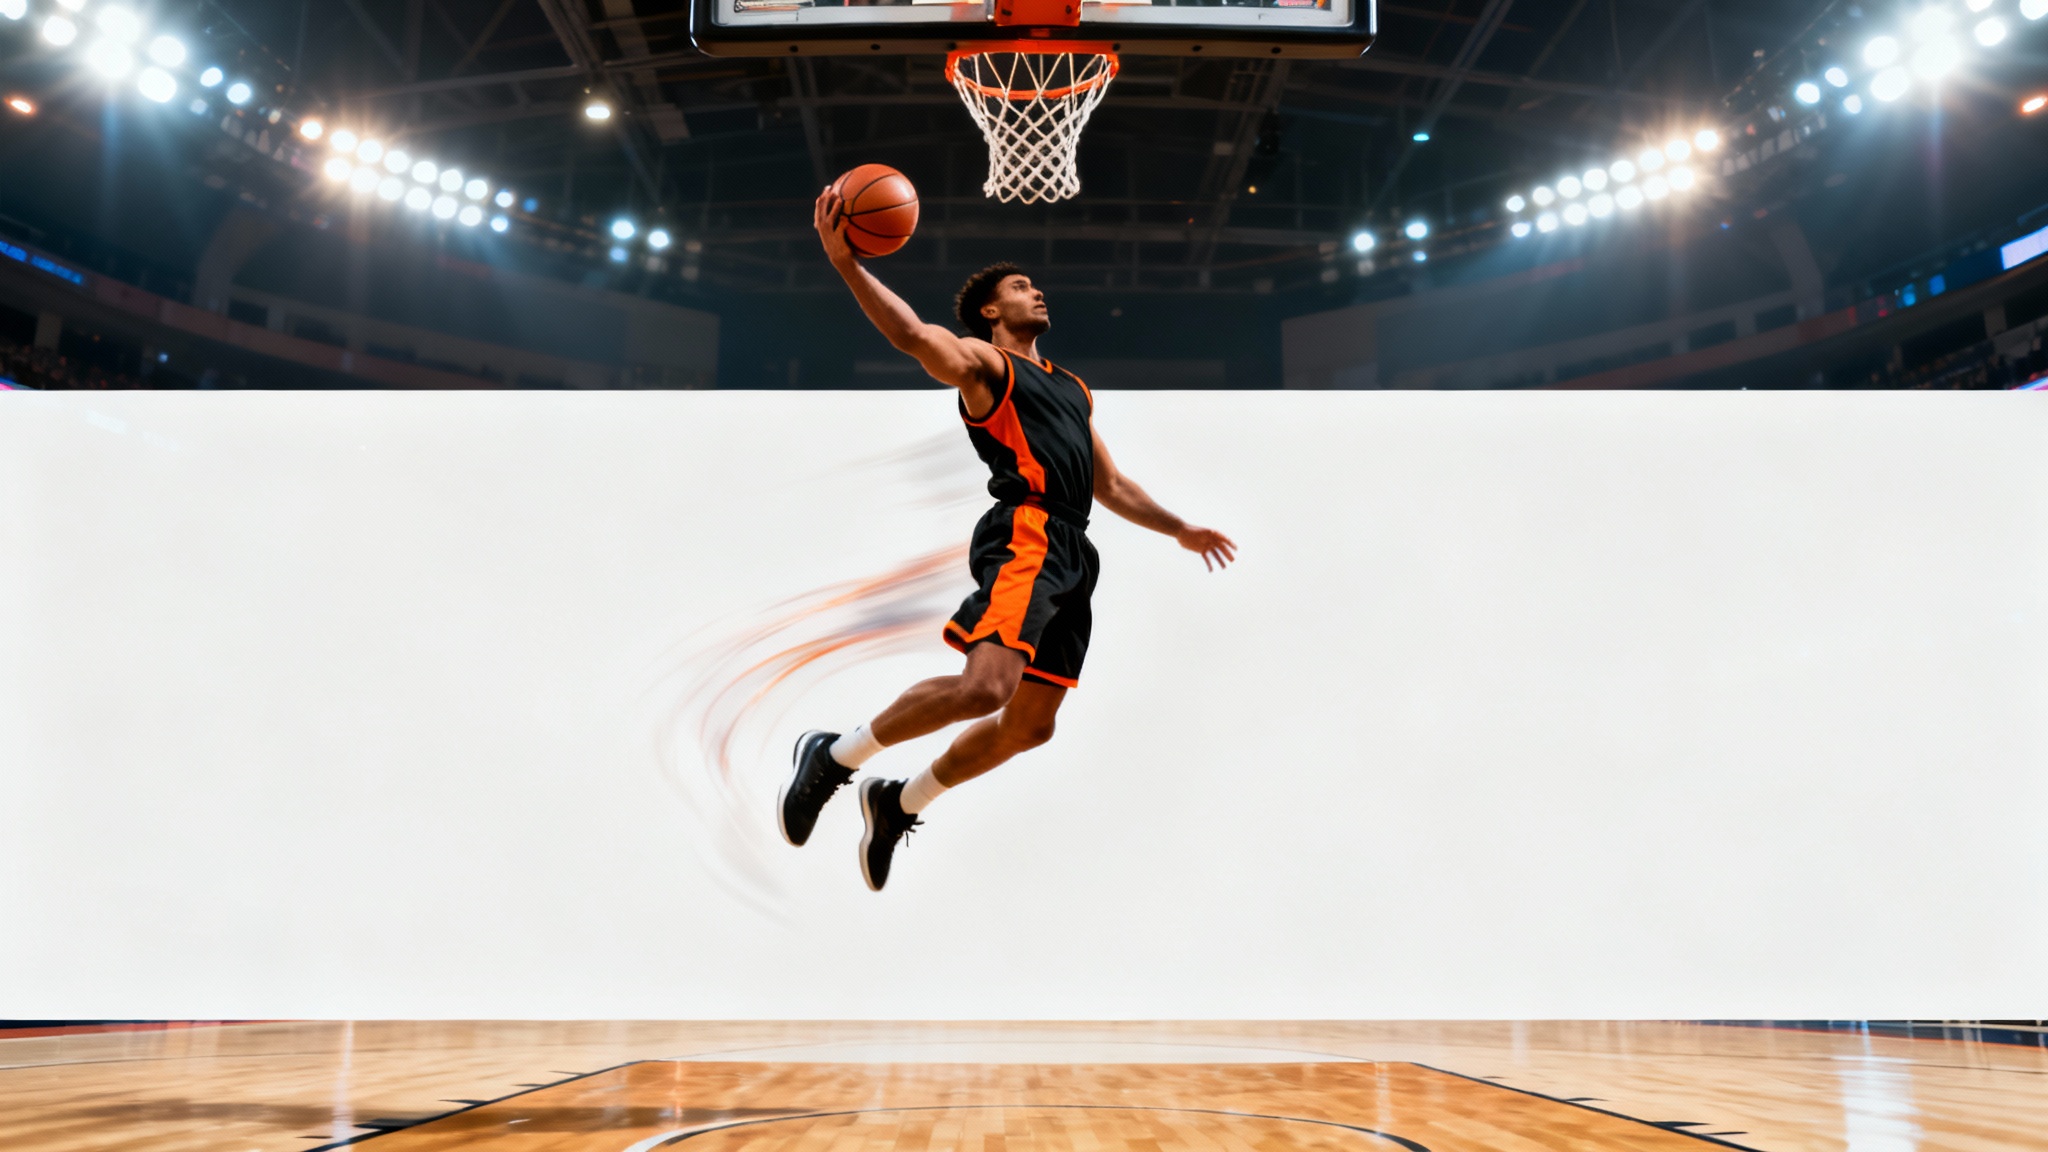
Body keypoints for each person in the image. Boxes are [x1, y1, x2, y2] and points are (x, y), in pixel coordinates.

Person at [781, 183, 1238, 891]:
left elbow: (1109, 487)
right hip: (1026, 531)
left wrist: (1180, 528)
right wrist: (847, 265)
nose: (1038, 293)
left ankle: (900, 802)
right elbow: (911, 337)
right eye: (1022, 287)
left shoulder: (1073, 387)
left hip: (1074, 551)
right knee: (984, 689)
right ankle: (835, 756)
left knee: (1030, 725)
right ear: (992, 311)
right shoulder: (984, 365)